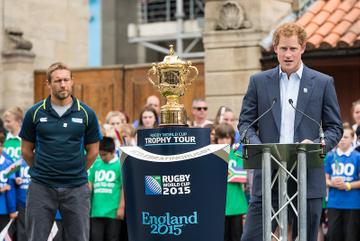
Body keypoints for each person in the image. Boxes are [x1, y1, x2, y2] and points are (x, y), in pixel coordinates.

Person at [238, 23, 343, 241]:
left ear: (303, 48)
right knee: (251, 237)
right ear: (275, 48)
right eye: (283, 48)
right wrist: (258, 146)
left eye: (293, 49)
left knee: (305, 238)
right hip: (269, 174)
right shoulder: (258, 82)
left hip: (308, 175)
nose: (288, 54)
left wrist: (316, 144)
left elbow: (335, 128)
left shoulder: (323, 83)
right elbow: (246, 123)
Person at [19, 62, 101, 241]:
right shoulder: (34, 113)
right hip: (41, 187)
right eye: (57, 81)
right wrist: (42, 169)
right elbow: (26, 150)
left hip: (76, 187)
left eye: (66, 80)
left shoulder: (86, 113)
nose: (62, 84)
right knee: (35, 238)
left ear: (72, 81)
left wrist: (77, 169)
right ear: (48, 84)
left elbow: (93, 151)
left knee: (80, 238)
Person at [324, 125, 360, 241]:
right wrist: (332, 183)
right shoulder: (330, 156)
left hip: (352, 204)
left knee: (351, 236)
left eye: (345, 137)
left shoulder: (357, 157)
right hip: (334, 203)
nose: (342, 140)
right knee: (333, 235)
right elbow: (325, 179)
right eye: (340, 137)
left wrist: (347, 185)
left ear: (352, 139)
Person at [215, 123, 247, 241]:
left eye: (227, 137)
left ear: (232, 139)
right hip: (218, 205)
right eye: (221, 137)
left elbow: (240, 176)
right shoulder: (212, 156)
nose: (224, 141)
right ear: (216, 139)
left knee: (236, 237)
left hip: (236, 205)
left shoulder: (237, 155)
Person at [88, 136, 124, 241]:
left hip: (113, 212)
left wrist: (121, 208)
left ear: (113, 151)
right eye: (100, 154)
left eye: (104, 155)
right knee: (95, 237)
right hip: (96, 211)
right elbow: (90, 183)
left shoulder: (119, 165)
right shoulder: (97, 164)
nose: (102, 157)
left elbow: (123, 188)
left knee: (112, 238)